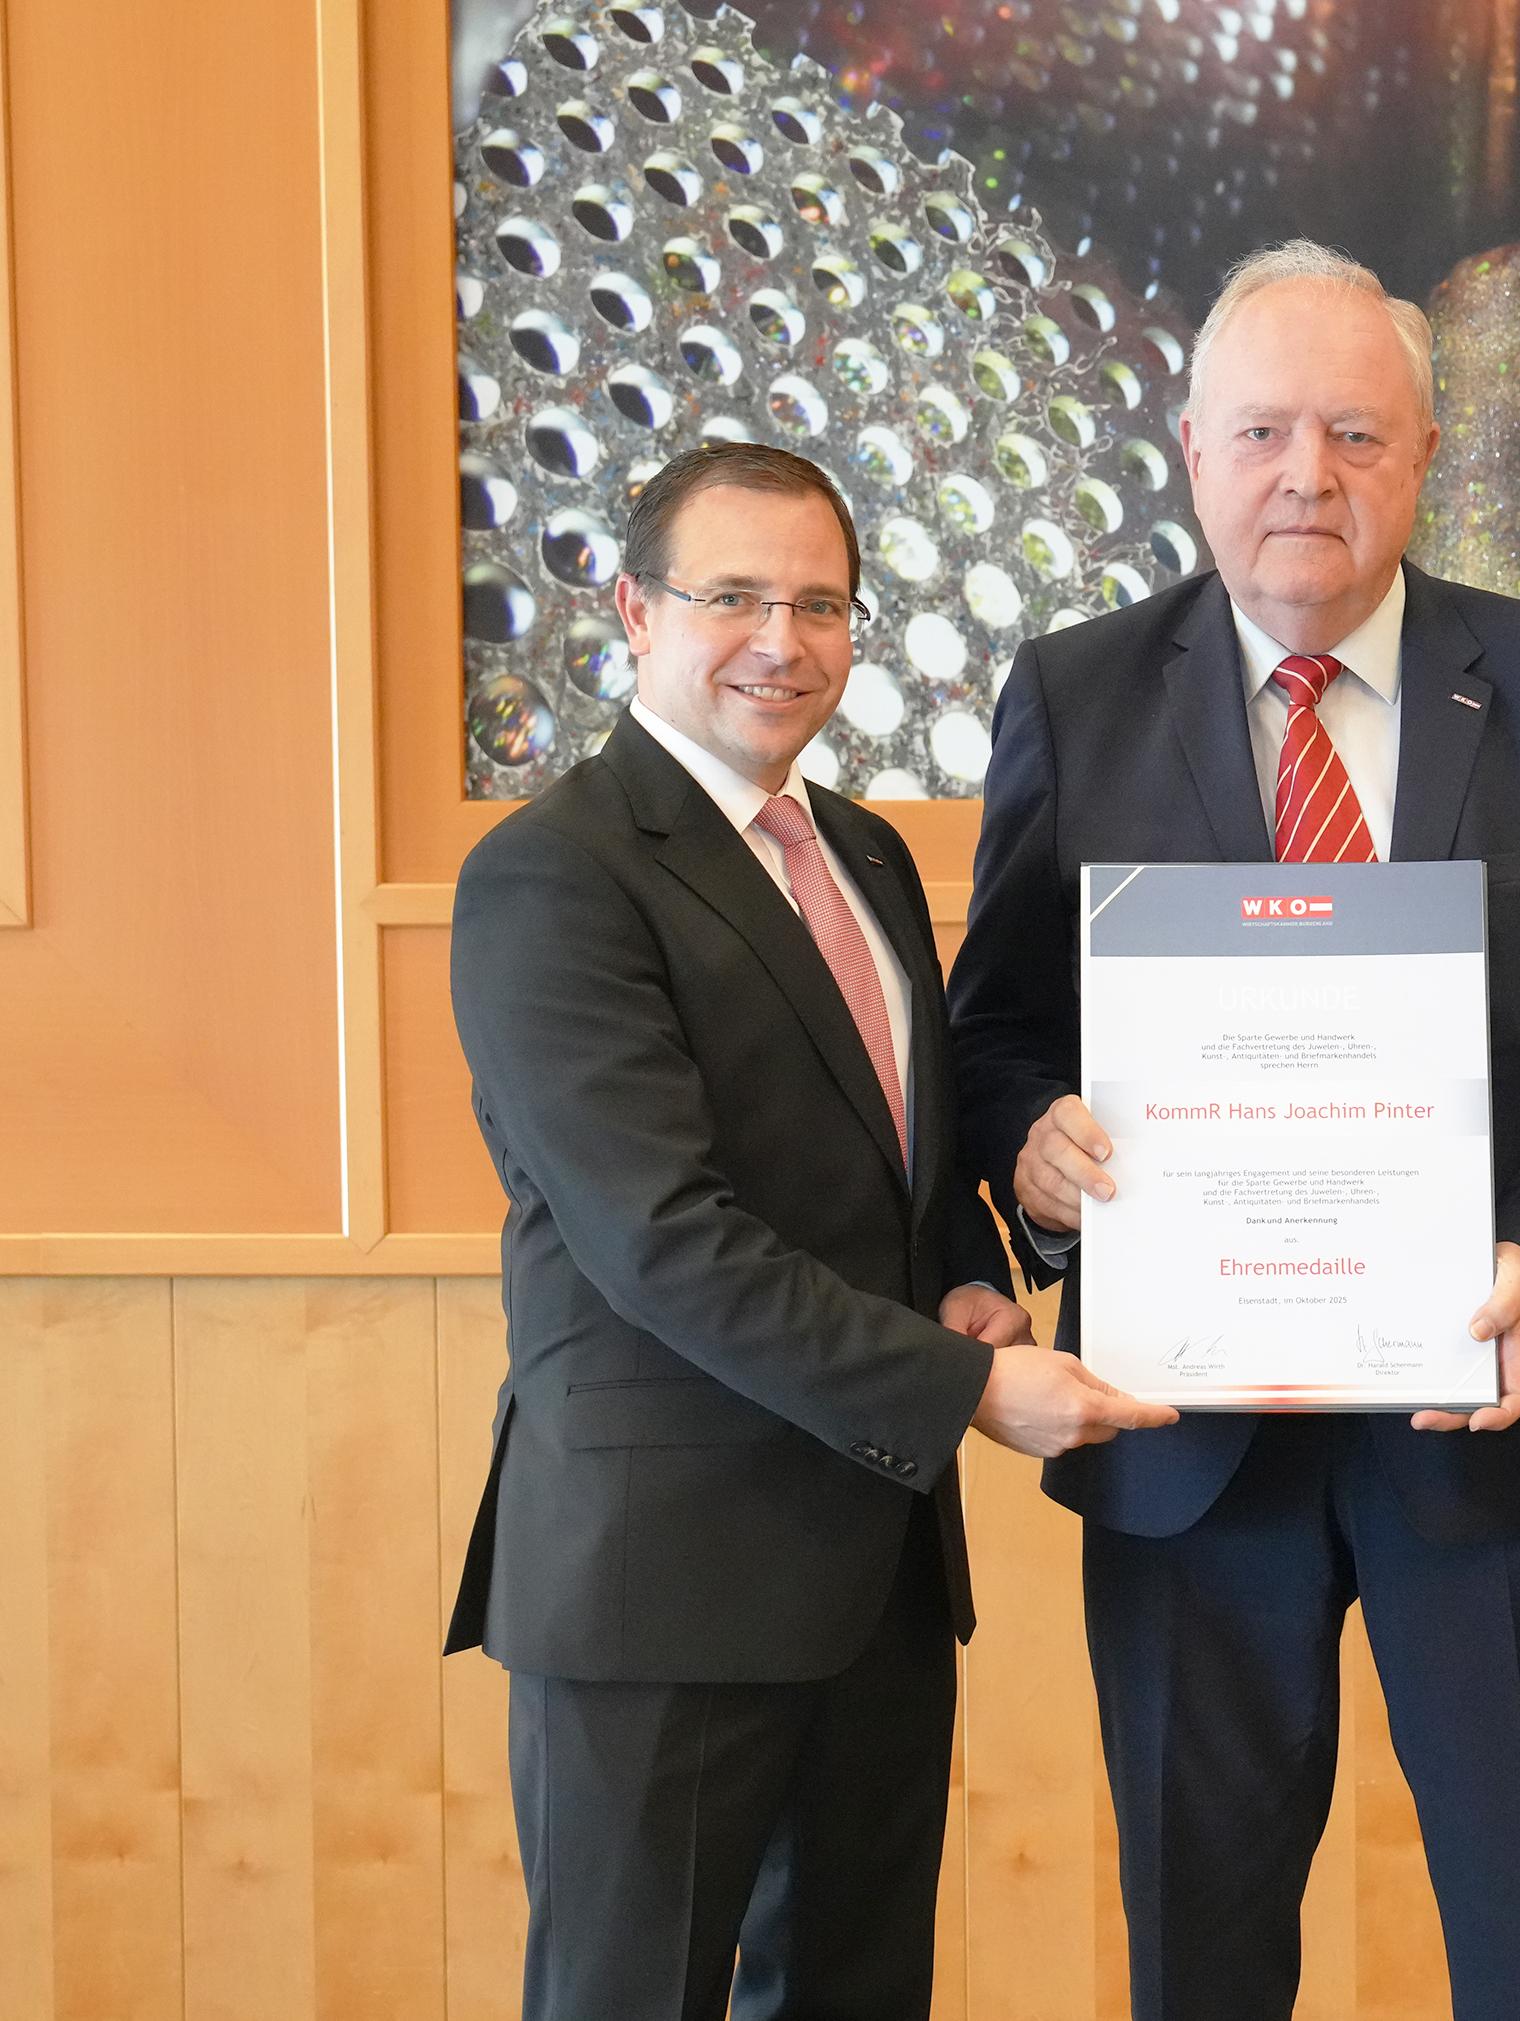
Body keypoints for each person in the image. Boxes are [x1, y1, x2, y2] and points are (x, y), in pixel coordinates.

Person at [948, 241, 1520, 2020]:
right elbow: (995, 1033)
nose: (1309, 473)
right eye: (1264, 431)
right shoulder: (1072, 694)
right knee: (1201, 1961)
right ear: (1191, 451)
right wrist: (1037, 1156)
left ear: (1428, 451)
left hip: (1498, 1436)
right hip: (1183, 1454)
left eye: (1357, 432)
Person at [445, 440, 1172, 2021]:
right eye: (735, 597)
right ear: (635, 610)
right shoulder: (552, 875)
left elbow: (896, 1157)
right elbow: (662, 1237)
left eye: (821, 604)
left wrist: (972, 1275)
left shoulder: (864, 853)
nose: (782, 640)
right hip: (663, 1585)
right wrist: (968, 1388)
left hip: (875, 1572)